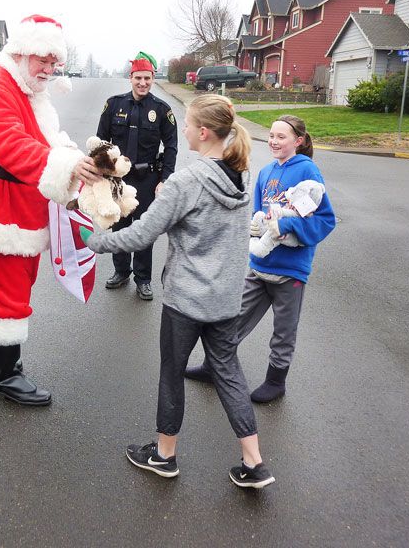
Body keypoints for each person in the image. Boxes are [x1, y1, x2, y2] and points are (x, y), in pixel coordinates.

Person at [82, 94, 275, 489]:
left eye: (187, 125)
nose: (183, 130)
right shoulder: (241, 174)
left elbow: (141, 234)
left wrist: (92, 240)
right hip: (224, 298)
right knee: (229, 372)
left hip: (186, 300)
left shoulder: (187, 182)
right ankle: (254, 463)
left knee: (172, 373)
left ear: (203, 132)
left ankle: (164, 455)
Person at [0, 15, 100, 406]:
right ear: (20, 51)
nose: (49, 70)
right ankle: (7, 375)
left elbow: (45, 139)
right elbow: (12, 145)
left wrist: (76, 161)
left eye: (54, 63)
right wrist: (67, 167)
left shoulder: (27, 88)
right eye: (42, 61)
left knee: (8, 280)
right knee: (7, 287)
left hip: (19, 206)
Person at [185, 115, 336, 403]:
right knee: (232, 318)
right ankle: (213, 366)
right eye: (271, 136)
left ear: (298, 141)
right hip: (260, 266)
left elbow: (325, 220)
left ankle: (276, 382)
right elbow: (258, 211)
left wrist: (288, 226)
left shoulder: (308, 172)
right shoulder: (266, 172)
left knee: (283, 330)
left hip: (290, 270)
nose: (274, 141)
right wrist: (254, 228)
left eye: (282, 137)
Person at [96, 51, 177, 301]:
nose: (143, 83)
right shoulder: (114, 105)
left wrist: (165, 179)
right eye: (138, 78)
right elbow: (101, 142)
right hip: (119, 179)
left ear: (153, 78)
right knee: (119, 227)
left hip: (148, 180)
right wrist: (101, 175)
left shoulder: (161, 110)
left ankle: (143, 279)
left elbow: (171, 146)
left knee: (145, 230)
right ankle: (121, 271)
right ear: (130, 77)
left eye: (148, 78)